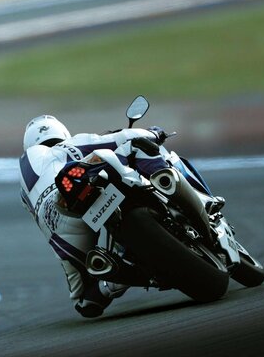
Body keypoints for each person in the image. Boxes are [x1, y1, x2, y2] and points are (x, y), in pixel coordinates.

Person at [19, 115, 172, 318]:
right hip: (76, 190)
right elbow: (120, 138)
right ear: (62, 133)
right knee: (137, 145)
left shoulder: (23, 186)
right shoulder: (66, 146)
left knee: (84, 301)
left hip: (61, 231)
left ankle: (114, 280)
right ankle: (167, 182)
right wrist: (154, 133)